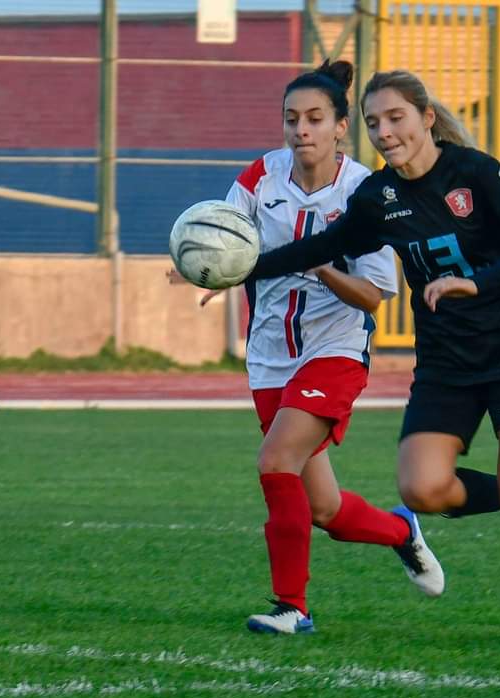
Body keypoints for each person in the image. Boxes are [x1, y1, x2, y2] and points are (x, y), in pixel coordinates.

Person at [246, 69, 500, 645]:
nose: (385, 132)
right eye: (374, 123)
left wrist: (477, 283)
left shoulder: (476, 172)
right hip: (446, 364)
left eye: (396, 118)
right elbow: (322, 247)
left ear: (427, 118)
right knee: (421, 489)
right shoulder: (378, 197)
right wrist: (235, 268)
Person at [176, 60, 445, 635]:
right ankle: (402, 531)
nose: (301, 130)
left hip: (335, 351)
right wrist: (206, 265)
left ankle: (291, 608)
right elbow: (226, 238)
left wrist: (319, 263)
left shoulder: (367, 192)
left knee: (275, 462)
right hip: (270, 355)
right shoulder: (261, 176)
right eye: (291, 118)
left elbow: (373, 296)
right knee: (325, 510)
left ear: (341, 127)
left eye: (315, 119)